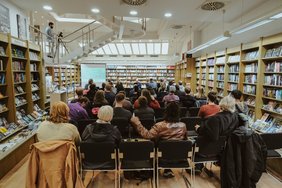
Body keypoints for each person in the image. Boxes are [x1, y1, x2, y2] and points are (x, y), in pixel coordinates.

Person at [131, 102, 187, 178]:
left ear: (166, 112)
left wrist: (137, 123)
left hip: (163, 159)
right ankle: (167, 170)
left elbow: (147, 135)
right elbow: (184, 141)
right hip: (180, 158)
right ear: (178, 113)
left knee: (155, 144)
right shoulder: (183, 125)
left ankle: (158, 170)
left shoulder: (160, 125)